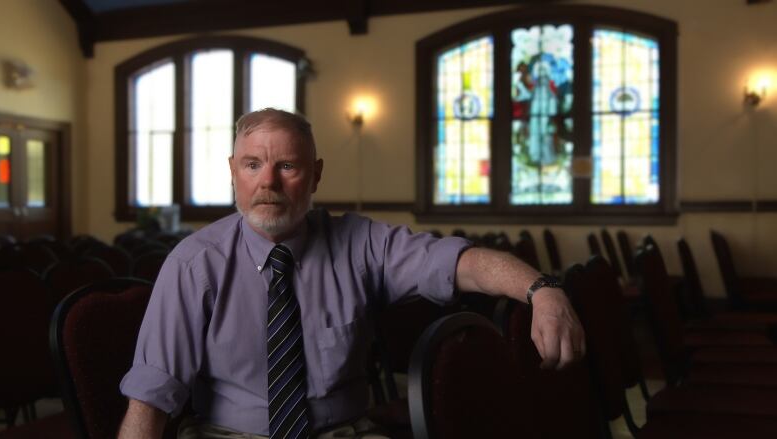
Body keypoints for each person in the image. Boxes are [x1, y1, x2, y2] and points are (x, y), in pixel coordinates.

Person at [118, 108, 585, 439]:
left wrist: (543, 290)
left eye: (287, 166)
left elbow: (462, 263)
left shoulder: (359, 244)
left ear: (316, 174)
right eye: (252, 165)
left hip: (344, 432)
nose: (269, 183)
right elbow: (151, 396)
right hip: (229, 434)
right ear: (232, 173)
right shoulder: (194, 262)